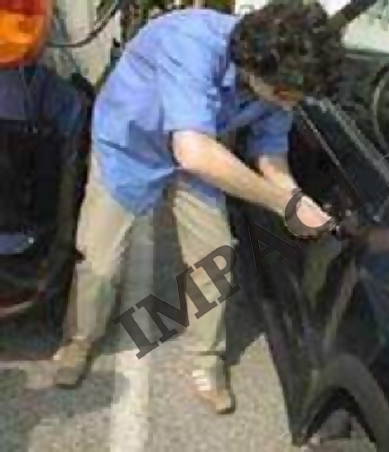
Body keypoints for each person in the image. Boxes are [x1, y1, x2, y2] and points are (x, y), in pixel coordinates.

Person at [52, 0, 343, 414]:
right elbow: (193, 152)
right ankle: (80, 341)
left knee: (215, 256)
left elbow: (270, 151)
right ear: (254, 67)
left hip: (199, 149)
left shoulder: (279, 85)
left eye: (295, 100)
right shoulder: (189, 40)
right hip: (130, 145)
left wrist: (295, 199)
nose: (287, 106)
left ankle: (207, 359)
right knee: (99, 258)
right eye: (284, 96)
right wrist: (281, 203)